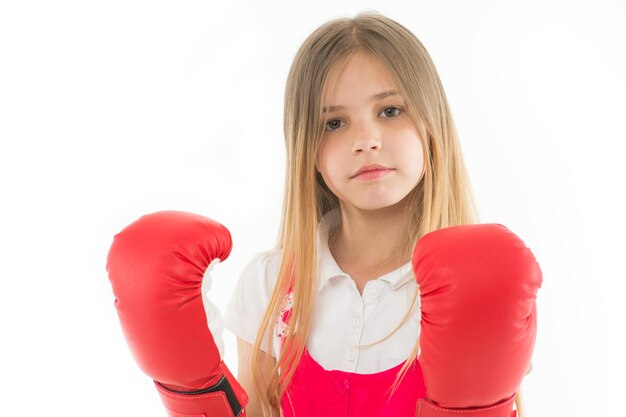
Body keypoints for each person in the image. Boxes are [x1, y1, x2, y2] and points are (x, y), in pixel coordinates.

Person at [106, 10, 540, 417]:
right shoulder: (271, 285)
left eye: (390, 111)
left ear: (431, 126)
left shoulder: (476, 286)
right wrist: (191, 394)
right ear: (308, 150)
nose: (366, 139)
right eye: (334, 123)